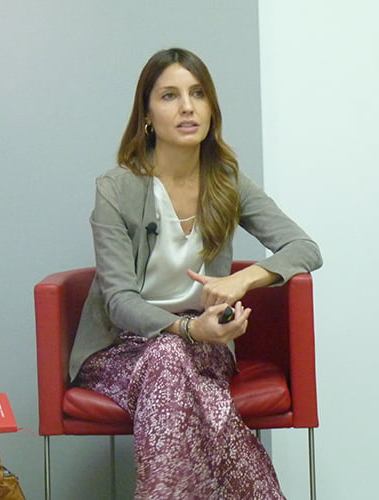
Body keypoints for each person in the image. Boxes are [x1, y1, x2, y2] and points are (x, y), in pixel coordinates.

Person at [69, 48, 322, 499]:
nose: (188, 107)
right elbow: (119, 300)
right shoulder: (117, 189)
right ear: (147, 115)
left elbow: (304, 247)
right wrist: (186, 329)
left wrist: (243, 280)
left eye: (198, 94)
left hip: (206, 348)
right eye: (170, 95)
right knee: (170, 356)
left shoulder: (227, 180)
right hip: (123, 348)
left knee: (173, 359)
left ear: (211, 108)